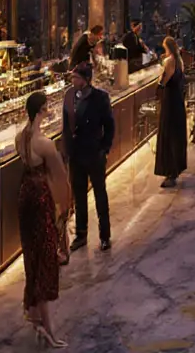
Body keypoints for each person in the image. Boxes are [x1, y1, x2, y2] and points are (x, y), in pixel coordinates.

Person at [17, 91, 71, 348]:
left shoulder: (20, 139)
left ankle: (35, 315)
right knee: (47, 259)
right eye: (46, 108)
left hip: (24, 195)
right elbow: (60, 178)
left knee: (32, 256)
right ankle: (49, 329)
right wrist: (65, 211)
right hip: (40, 199)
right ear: (41, 110)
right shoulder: (44, 143)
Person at [62, 63, 114, 251]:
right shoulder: (69, 96)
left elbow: (109, 125)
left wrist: (104, 148)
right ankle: (81, 234)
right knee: (79, 195)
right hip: (76, 154)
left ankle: (105, 235)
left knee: (100, 194)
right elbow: (66, 127)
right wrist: (66, 151)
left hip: (94, 152)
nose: (72, 81)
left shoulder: (100, 98)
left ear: (85, 80)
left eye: (75, 78)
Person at [155, 37, 188, 188]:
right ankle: (176, 168)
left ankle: (170, 172)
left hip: (169, 102)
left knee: (168, 135)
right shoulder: (180, 60)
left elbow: (163, 81)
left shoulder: (169, 61)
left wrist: (159, 80)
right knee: (176, 135)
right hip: (178, 101)